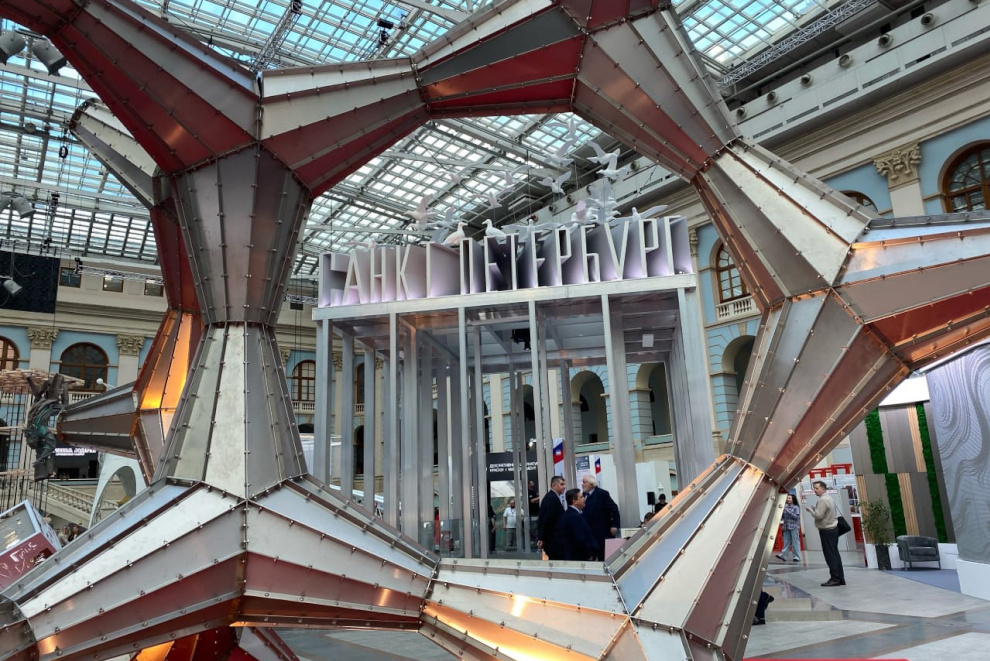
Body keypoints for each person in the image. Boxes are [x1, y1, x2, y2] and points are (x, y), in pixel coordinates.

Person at [807, 480, 844, 586]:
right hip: (833, 529)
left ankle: (835, 578)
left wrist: (811, 510)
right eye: (814, 488)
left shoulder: (822, 500)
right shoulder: (829, 498)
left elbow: (818, 516)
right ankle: (840, 578)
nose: (815, 490)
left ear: (823, 488)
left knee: (830, 555)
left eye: (816, 488)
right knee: (835, 553)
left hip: (827, 530)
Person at [555, 488, 600, 561]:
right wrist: (588, 554)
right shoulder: (573, 516)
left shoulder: (574, 514)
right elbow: (580, 538)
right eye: (581, 497)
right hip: (579, 558)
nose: (584, 499)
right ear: (574, 501)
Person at [581, 475, 620, 557]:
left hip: (601, 532)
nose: (582, 484)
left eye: (584, 482)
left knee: (603, 555)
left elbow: (614, 509)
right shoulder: (583, 495)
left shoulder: (602, 494)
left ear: (591, 484)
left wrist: (615, 525)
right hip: (589, 532)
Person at [536, 476, 566, 560]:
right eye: (561, 484)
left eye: (564, 484)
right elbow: (546, 520)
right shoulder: (551, 498)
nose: (564, 487)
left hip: (554, 539)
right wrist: (541, 537)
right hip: (553, 540)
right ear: (554, 485)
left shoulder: (553, 497)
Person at [776, 493, 802, 563]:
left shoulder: (796, 507)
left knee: (795, 542)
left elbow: (796, 517)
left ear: (793, 499)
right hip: (786, 526)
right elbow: (783, 517)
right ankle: (783, 555)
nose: (788, 499)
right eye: (787, 498)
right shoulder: (785, 506)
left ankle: (796, 556)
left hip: (794, 526)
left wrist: (787, 511)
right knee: (786, 541)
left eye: (789, 498)